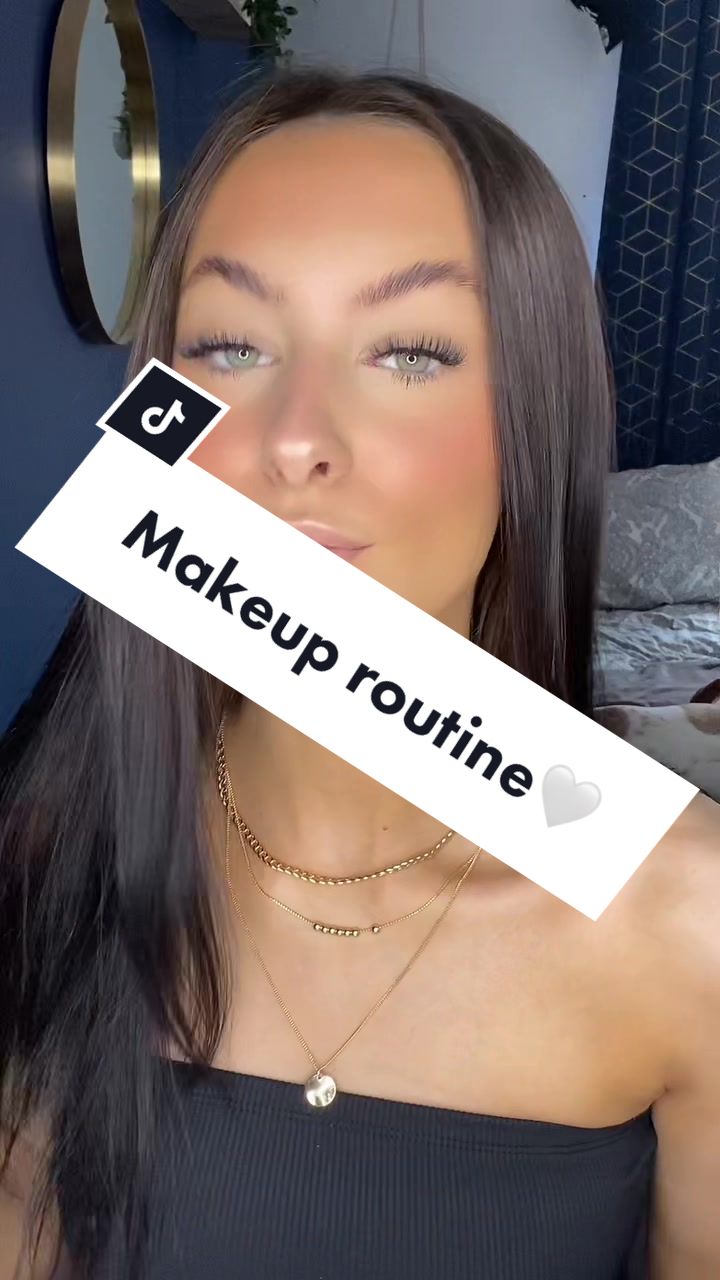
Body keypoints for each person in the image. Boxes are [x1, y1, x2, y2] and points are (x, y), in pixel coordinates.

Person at [1, 65, 719, 1280]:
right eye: (229, 345)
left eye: (411, 353)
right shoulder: (52, 844)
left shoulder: (691, 922)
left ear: (532, 418)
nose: (294, 440)